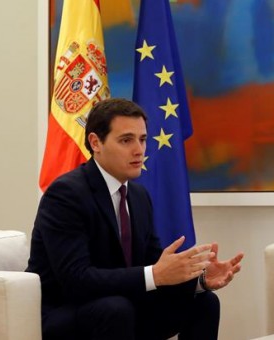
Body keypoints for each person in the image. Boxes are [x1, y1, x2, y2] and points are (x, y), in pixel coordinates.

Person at [27, 98, 244, 340]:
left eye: (142, 139)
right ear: (95, 142)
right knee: (117, 309)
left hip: (120, 307)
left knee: (204, 302)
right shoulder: (66, 194)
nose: (139, 150)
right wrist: (156, 274)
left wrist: (198, 280)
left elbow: (152, 262)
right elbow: (76, 279)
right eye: (126, 140)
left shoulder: (138, 196)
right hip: (64, 312)